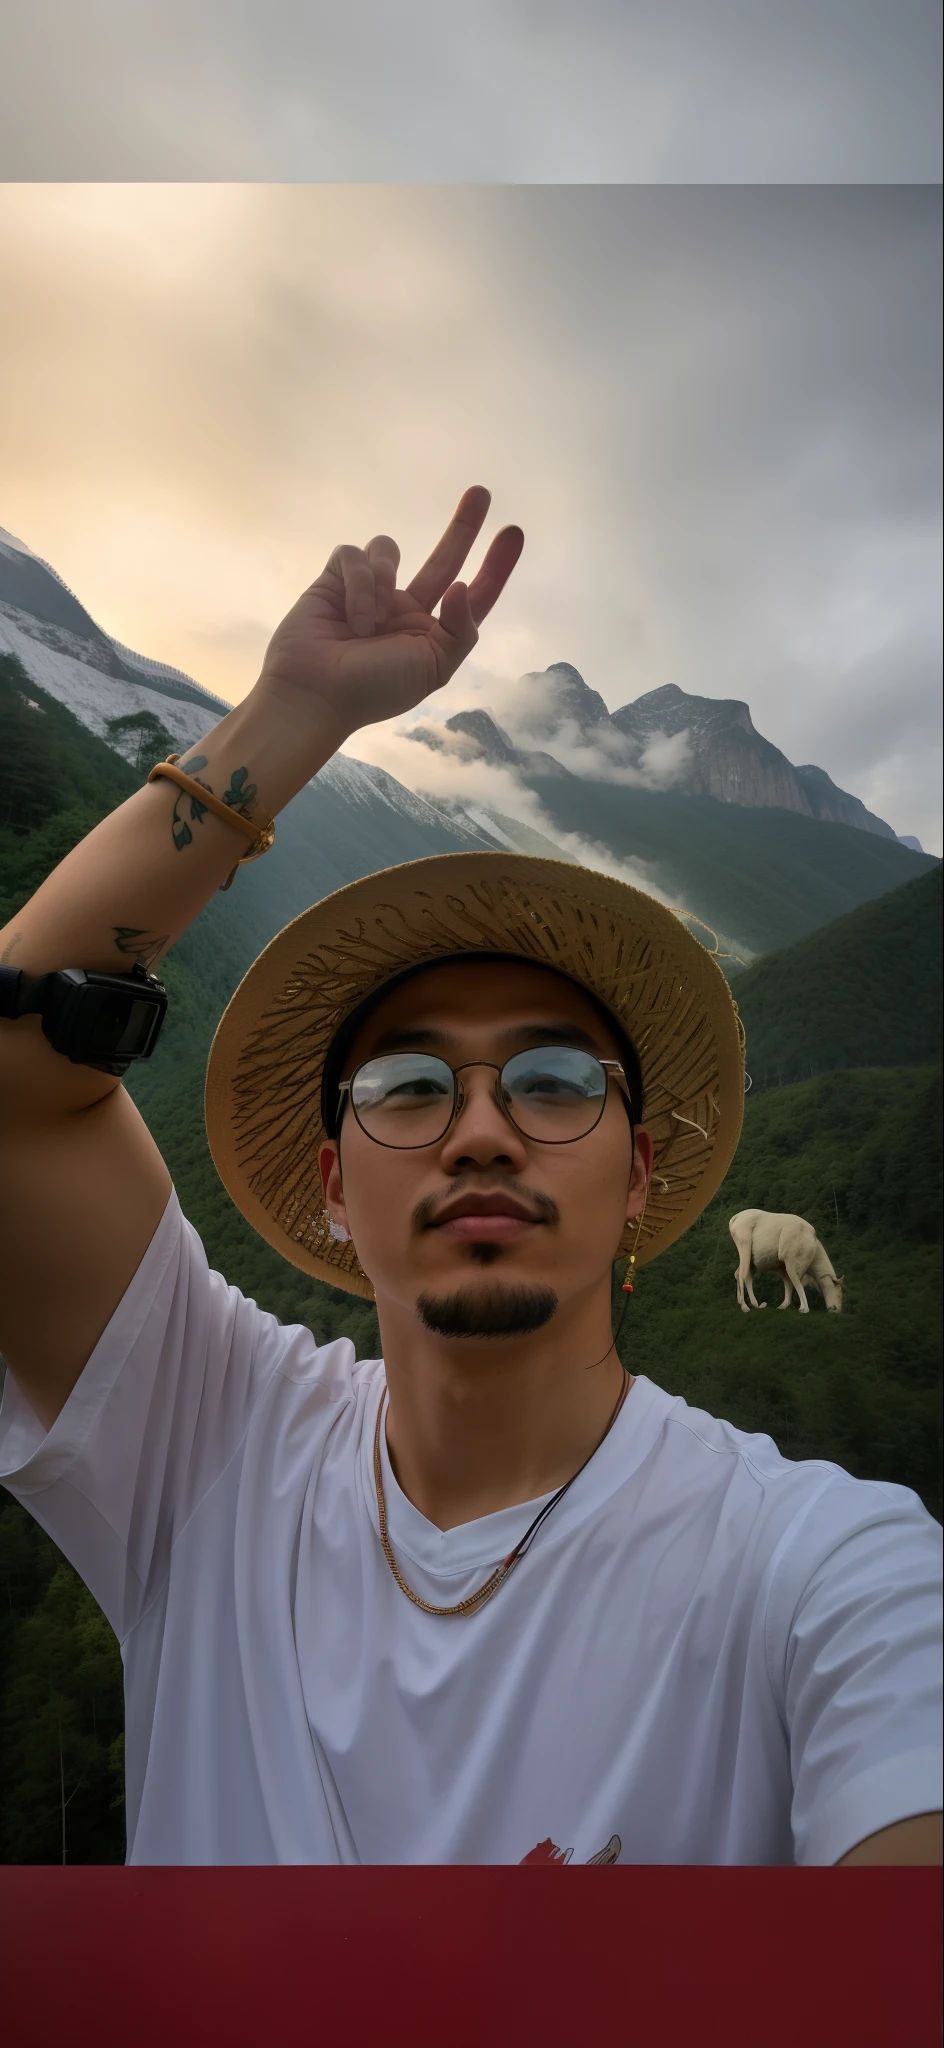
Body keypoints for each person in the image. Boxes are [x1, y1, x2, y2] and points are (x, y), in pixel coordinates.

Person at [0, 485, 940, 1869]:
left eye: (555, 1080)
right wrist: (292, 713)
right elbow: (18, 1066)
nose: (482, 1130)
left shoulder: (823, 1571)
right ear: (333, 1183)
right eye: (408, 1084)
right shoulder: (206, 1450)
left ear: (641, 1174)